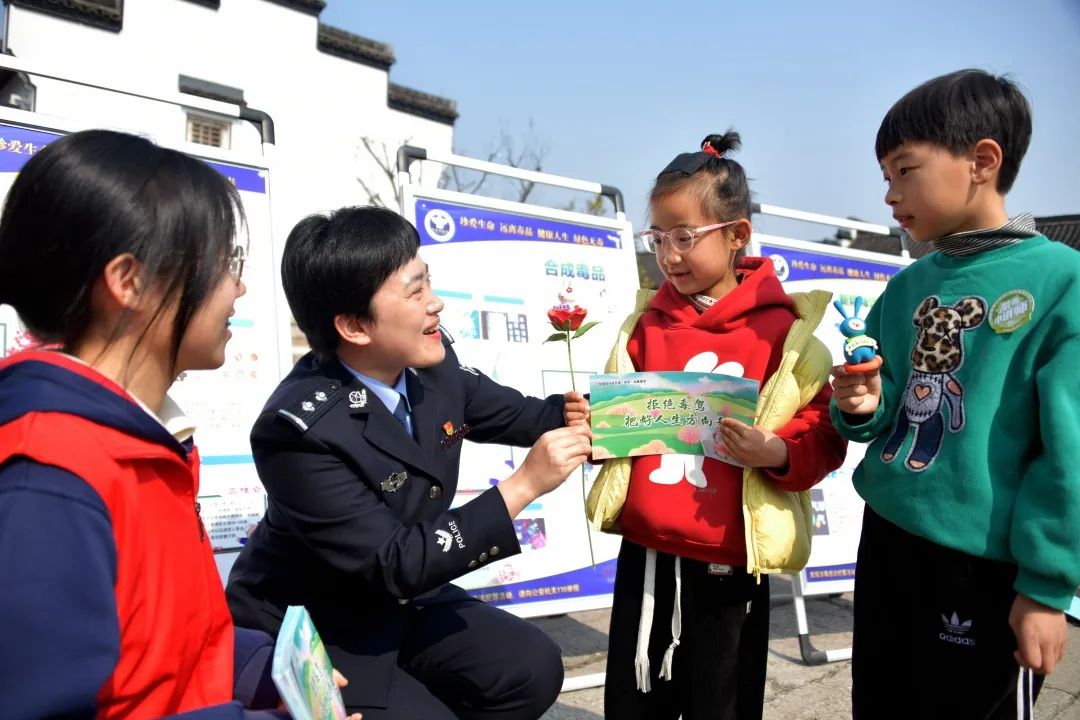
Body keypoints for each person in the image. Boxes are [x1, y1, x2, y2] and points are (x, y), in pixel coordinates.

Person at [226, 206, 592, 719]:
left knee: (531, 666)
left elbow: (532, 416)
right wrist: (524, 485)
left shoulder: (433, 369)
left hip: (407, 598)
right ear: (354, 325)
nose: (435, 304)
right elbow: (391, 562)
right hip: (326, 625)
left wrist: (613, 416)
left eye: (429, 283)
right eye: (415, 291)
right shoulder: (297, 431)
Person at [0, 129, 303, 718]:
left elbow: (152, 647)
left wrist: (260, 671)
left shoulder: (136, 438)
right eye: (222, 263)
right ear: (129, 281)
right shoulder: (50, 477)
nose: (237, 286)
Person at [566, 132, 847, 720]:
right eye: (659, 237)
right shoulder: (643, 326)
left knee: (719, 695)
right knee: (634, 693)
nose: (669, 255)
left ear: (737, 234)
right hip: (646, 551)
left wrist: (775, 452)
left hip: (729, 556)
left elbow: (824, 432)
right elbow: (625, 424)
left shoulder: (785, 336)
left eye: (685, 237)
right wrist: (596, 430)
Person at [830, 69, 1080, 719]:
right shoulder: (907, 287)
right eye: (885, 176)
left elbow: (1071, 451)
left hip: (984, 564)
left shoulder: (1061, 281)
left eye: (904, 170)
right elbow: (883, 409)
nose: (889, 194)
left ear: (982, 161)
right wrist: (859, 406)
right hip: (887, 540)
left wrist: (1048, 589)